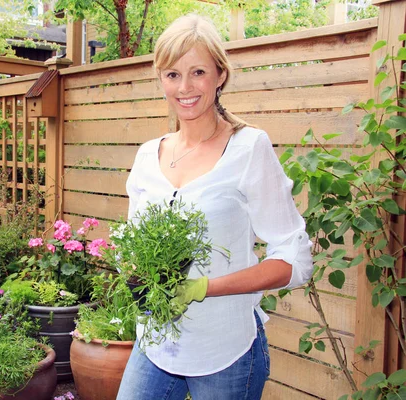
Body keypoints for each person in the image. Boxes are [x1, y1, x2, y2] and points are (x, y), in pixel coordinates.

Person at [116, 14, 314, 400]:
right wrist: (136, 276)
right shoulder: (146, 156)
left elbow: (295, 260)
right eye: (172, 74)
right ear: (160, 79)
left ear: (220, 75)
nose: (185, 87)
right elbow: (134, 251)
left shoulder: (249, 149)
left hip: (226, 351)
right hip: (155, 344)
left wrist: (205, 287)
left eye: (198, 72)